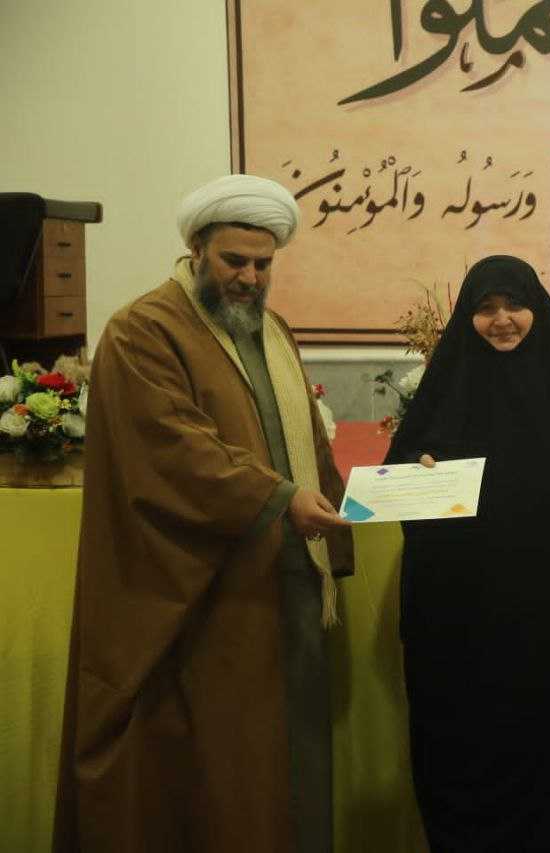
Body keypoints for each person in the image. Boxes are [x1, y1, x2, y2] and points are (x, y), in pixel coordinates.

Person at [53, 174, 354, 853]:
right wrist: (280, 499)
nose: (249, 277)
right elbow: (175, 450)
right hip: (200, 599)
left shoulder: (272, 331)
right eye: (233, 261)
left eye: (263, 264)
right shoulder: (143, 331)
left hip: (282, 586)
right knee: (218, 782)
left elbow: (306, 441)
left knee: (284, 776)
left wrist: (351, 507)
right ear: (196, 250)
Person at [383, 255, 550, 852]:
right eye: (485, 309)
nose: (501, 320)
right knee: (459, 772)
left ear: (538, 310)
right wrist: (419, 471)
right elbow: (397, 482)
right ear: (467, 317)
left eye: (514, 305)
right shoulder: (445, 391)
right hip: (459, 638)